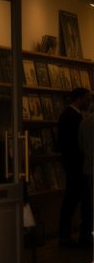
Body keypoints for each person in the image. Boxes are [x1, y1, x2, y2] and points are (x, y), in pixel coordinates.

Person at [58, 88, 91, 247]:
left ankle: (67, 235)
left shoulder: (69, 115)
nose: (89, 101)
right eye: (87, 98)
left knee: (74, 200)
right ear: (79, 98)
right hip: (76, 166)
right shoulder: (74, 118)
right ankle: (68, 236)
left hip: (73, 165)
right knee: (74, 200)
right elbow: (78, 144)